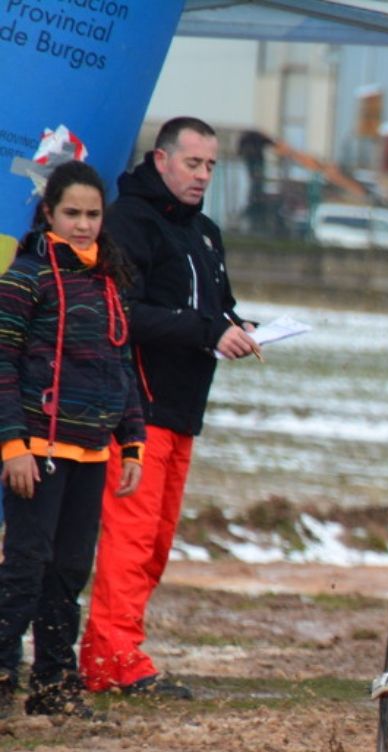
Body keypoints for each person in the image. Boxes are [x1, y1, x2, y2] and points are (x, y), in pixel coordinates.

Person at [79, 118, 260, 700]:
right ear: (161, 160)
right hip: (136, 410)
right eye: (193, 163)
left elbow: (218, 307)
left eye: (211, 166)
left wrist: (238, 326)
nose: (203, 175)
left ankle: (121, 649)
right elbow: (122, 313)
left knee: (156, 544)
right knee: (129, 542)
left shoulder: (205, 232)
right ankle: (111, 659)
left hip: (184, 410)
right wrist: (207, 329)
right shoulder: (130, 222)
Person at [0, 162, 146, 720]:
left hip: (92, 455)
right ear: (49, 214)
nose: (84, 225)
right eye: (72, 214)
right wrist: (14, 446)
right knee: (25, 566)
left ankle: (54, 685)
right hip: (37, 452)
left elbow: (122, 365)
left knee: (68, 573)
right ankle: (2, 674)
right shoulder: (24, 279)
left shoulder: (111, 283)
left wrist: (131, 443)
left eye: (93, 215)